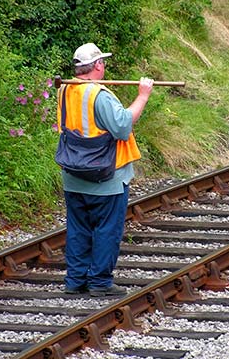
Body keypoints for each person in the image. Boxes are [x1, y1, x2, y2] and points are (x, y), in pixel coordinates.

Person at [56, 43, 153, 297]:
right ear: (97, 65)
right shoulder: (100, 95)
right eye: (103, 62)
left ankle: (75, 281)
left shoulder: (65, 89)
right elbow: (122, 127)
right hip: (106, 176)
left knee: (78, 229)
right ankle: (100, 282)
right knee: (106, 229)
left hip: (73, 175)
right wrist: (142, 95)